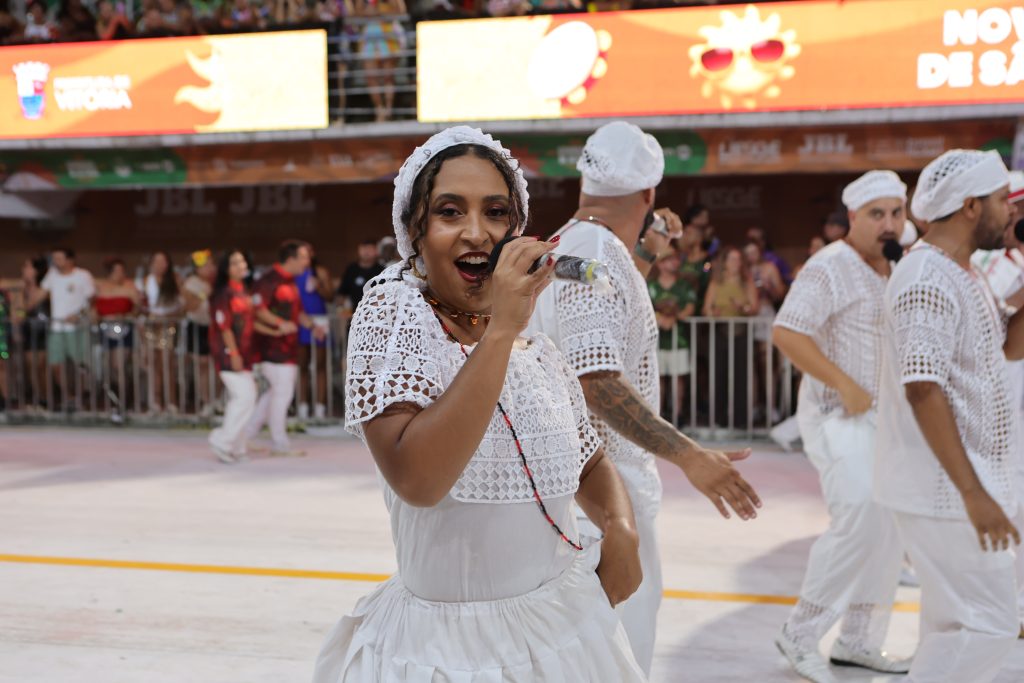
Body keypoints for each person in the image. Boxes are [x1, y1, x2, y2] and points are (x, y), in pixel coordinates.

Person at [314, 126, 646, 682]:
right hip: (446, 653)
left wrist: (620, 524)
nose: (477, 233)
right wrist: (500, 334)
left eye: (495, 213)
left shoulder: (530, 342)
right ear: (414, 230)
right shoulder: (394, 315)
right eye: (450, 212)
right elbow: (418, 478)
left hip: (561, 632)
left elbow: (586, 457)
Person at [528, 121, 761, 675]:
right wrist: (690, 456)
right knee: (617, 656)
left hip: (579, 488)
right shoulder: (593, 252)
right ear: (651, 194)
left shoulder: (576, 244)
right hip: (603, 498)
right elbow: (597, 381)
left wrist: (648, 254)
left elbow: (599, 319)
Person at [876, 149, 1024, 683]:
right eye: (1001, 200)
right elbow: (923, 388)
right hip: (942, 488)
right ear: (969, 206)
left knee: (952, 627)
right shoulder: (926, 279)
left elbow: (1007, 347)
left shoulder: (960, 274)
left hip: (951, 483)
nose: (1009, 212)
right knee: (990, 624)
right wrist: (973, 494)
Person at [772, 170, 911, 683]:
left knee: (888, 526)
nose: (890, 224)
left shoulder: (896, 266)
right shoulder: (829, 266)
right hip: (837, 414)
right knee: (859, 515)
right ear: (853, 217)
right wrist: (847, 384)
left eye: (897, 212)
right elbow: (787, 332)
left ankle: (858, 642)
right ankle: (800, 633)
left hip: (888, 420)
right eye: (877, 214)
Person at [971, 170, 1024, 635]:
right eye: (1013, 208)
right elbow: (1003, 328)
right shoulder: (988, 263)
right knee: (1010, 501)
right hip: (999, 402)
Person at [244, 240, 323, 456]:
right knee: (281, 393)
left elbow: (296, 312)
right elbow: (257, 309)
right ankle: (279, 443)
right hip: (272, 349)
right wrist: (280, 324)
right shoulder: (268, 280)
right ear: (291, 259)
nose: (308, 262)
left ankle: (247, 436)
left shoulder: (290, 281)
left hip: (286, 348)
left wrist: (313, 327)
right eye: (304, 257)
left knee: (273, 394)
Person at [208, 250, 259, 464]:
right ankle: (223, 440)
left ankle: (237, 446)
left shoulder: (243, 291)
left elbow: (250, 322)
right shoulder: (223, 294)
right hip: (228, 354)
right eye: (235, 262)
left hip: (244, 353)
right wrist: (234, 353)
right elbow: (224, 327)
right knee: (245, 396)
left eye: (242, 260)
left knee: (244, 398)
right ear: (226, 269)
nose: (241, 265)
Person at [29, 248, 94, 413]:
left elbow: (92, 300)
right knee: (56, 365)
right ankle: (69, 397)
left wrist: (78, 315)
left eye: (59, 258)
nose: (55, 262)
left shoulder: (83, 275)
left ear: (70, 260)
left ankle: (81, 398)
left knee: (79, 366)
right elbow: (38, 297)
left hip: (76, 328)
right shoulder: (52, 275)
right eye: (54, 258)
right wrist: (29, 283)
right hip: (57, 328)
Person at [703, 245, 757, 429]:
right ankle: (719, 418)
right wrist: (714, 312)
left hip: (741, 332)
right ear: (725, 262)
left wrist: (743, 307)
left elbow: (754, 307)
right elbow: (706, 309)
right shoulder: (716, 282)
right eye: (732, 259)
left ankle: (740, 420)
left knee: (741, 376)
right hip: (721, 332)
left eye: (738, 259)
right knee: (719, 375)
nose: (735, 263)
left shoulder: (746, 282)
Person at [647, 248, 696, 427]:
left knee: (677, 378)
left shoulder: (683, 285)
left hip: (679, 339)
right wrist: (661, 318)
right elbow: (646, 307)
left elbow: (690, 306)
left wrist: (674, 316)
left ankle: (678, 414)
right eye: (669, 260)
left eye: (675, 259)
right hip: (656, 341)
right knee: (657, 378)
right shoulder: (650, 285)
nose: (674, 263)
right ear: (659, 263)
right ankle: (659, 415)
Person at [94, 258, 141, 419]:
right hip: (106, 329)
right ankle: (113, 399)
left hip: (124, 329)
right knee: (110, 367)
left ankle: (124, 401)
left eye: (123, 271)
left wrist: (125, 315)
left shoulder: (130, 286)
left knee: (118, 365)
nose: (121, 274)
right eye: (117, 271)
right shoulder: (102, 287)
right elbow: (96, 309)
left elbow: (138, 309)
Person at [141, 251, 183, 415]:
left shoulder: (175, 279)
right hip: (151, 327)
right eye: (156, 261)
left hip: (168, 326)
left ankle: (171, 402)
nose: (159, 265)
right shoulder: (146, 280)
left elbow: (181, 305)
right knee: (153, 366)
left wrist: (166, 316)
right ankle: (155, 402)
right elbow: (142, 305)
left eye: (163, 261)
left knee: (167, 365)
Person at [296, 248, 333, 421]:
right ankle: (302, 407)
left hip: (319, 321)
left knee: (320, 365)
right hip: (301, 321)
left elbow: (330, 296)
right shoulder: (293, 274)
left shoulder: (320, 272)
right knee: (301, 365)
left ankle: (320, 408)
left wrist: (319, 286)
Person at [11, 258, 49, 411]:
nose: (23, 269)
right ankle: (38, 399)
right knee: (30, 367)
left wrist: (21, 310)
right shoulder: (21, 290)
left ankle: (46, 399)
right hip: (28, 332)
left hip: (43, 332)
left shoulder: (45, 288)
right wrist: (21, 292)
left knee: (40, 367)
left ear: (36, 271)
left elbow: (28, 306)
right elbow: (17, 312)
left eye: (27, 267)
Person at [183, 250, 216, 416]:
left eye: (211, 264)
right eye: (206, 265)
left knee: (217, 365)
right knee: (202, 365)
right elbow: (190, 306)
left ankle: (218, 400)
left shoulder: (218, 282)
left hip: (215, 327)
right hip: (198, 326)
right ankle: (206, 401)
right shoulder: (191, 283)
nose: (210, 268)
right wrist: (205, 294)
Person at [337, 239, 384, 319]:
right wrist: (340, 309)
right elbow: (342, 293)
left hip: (376, 316)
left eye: (370, 249)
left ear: (377, 251)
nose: (366, 252)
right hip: (353, 316)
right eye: (363, 249)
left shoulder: (382, 270)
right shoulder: (351, 269)